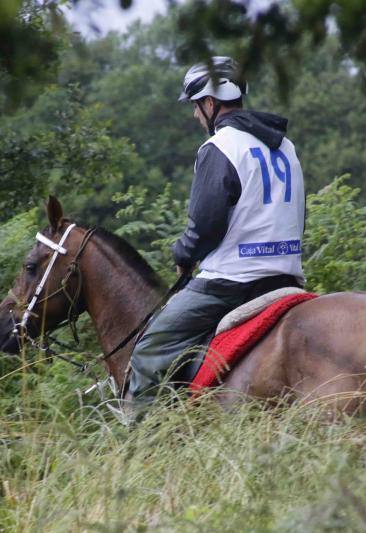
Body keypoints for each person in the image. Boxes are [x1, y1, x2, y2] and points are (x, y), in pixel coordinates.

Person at [128, 56, 305, 412]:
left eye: (196, 107)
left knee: (149, 349)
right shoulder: (286, 147)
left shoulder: (220, 146)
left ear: (210, 103)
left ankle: (140, 444)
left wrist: (183, 255)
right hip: (287, 277)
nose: (196, 116)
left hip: (232, 283)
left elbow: (205, 226)